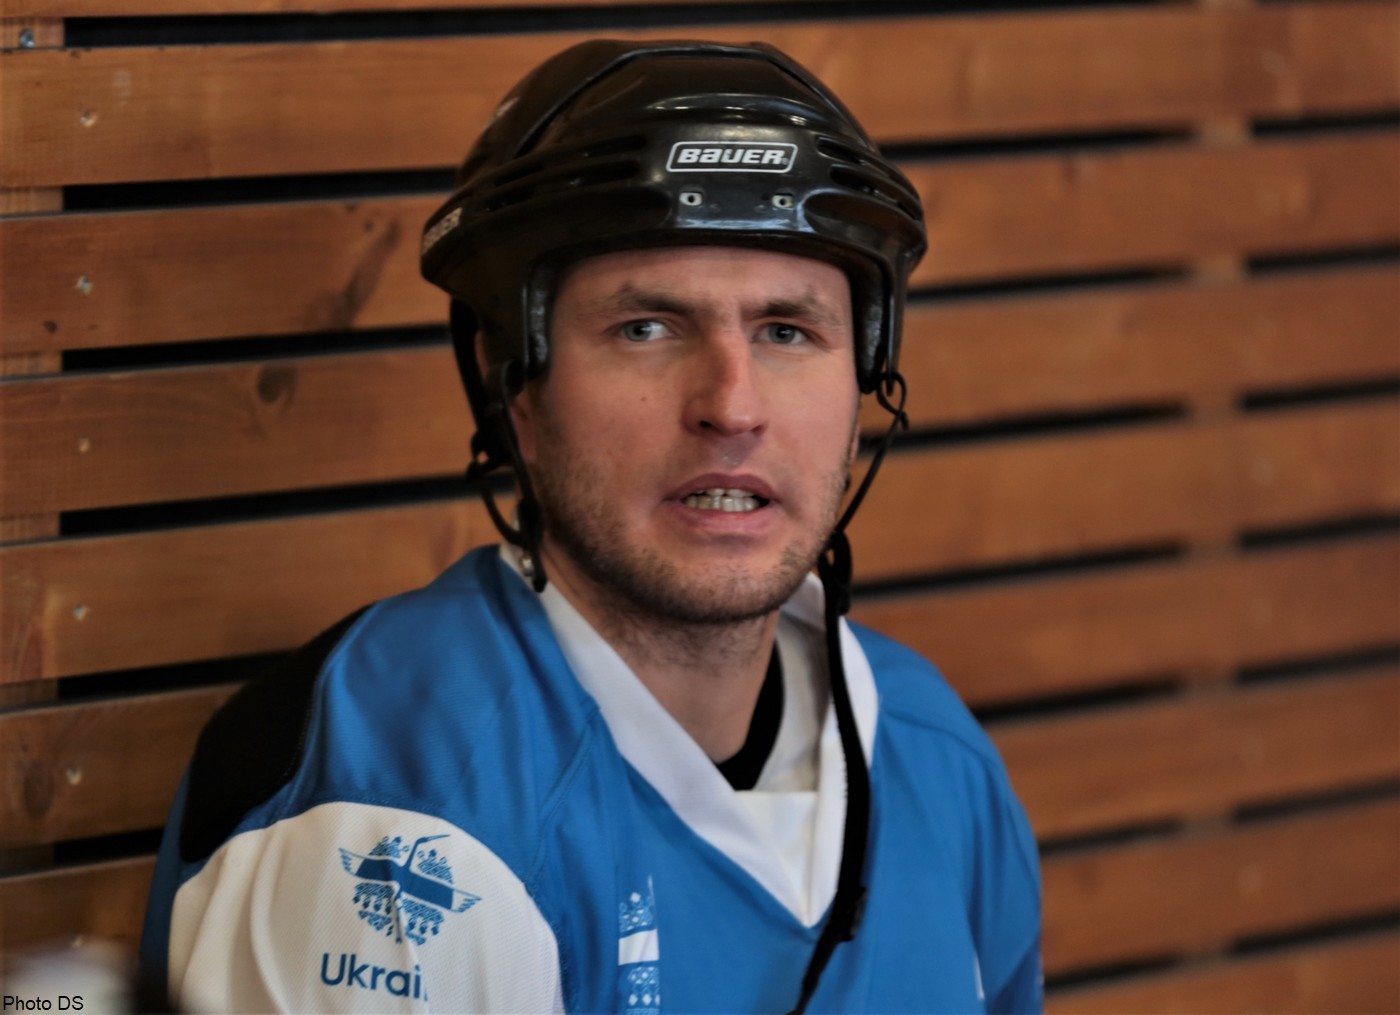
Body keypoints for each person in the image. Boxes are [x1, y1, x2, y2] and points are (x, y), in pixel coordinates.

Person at [140, 39, 1042, 1014]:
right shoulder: (401, 813)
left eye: (787, 330)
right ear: (512, 389)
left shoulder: (933, 753)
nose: (732, 406)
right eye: (644, 328)